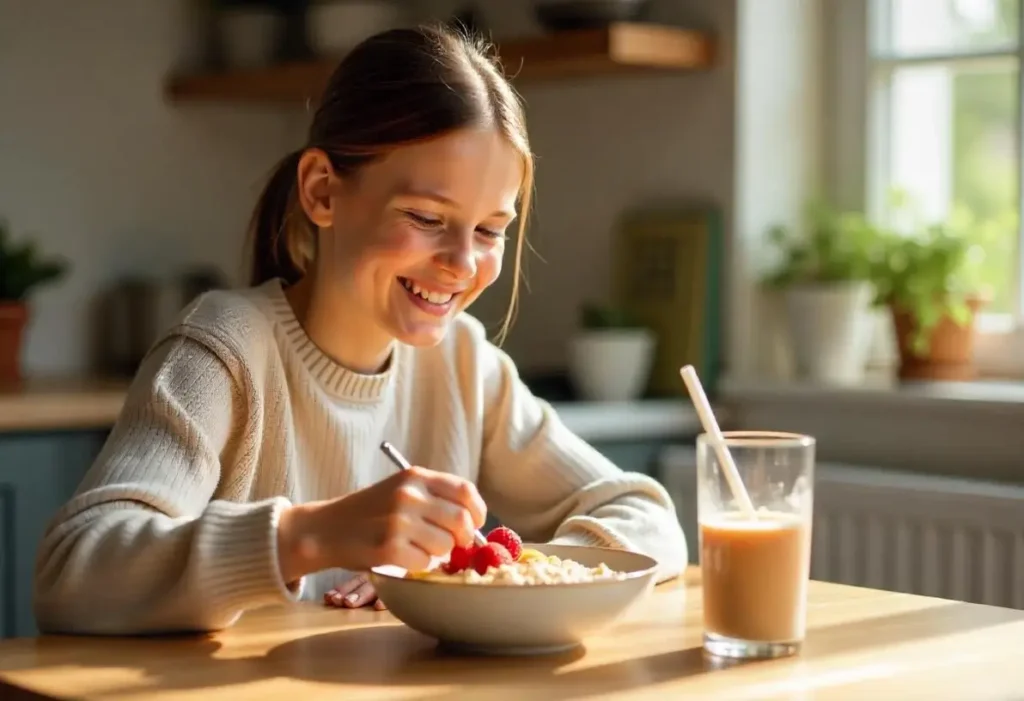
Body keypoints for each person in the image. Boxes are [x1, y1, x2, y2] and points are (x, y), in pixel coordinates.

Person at [33, 24, 687, 635]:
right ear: (322, 190)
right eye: (426, 217)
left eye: (490, 230)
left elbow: (648, 517)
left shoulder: (464, 365)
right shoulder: (222, 353)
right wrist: (307, 536)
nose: (463, 263)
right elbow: (71, 570)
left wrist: (497, 577)